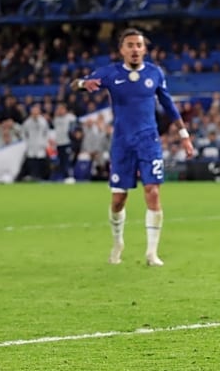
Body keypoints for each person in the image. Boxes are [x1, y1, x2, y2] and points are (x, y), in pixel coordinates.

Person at [71, 28, 194, 266]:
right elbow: (75, 83)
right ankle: (118, 242)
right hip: (122, 143)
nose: (135, 49)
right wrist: (83, 85)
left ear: (144, 49)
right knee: (118, 199)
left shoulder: (155, 73)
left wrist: (184, 135)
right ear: (122, 50)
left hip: (149, 141)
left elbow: (169, 105)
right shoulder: (110, 73)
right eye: (130, 45)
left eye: (139, 45)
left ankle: (151, 253)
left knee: (153, 192)